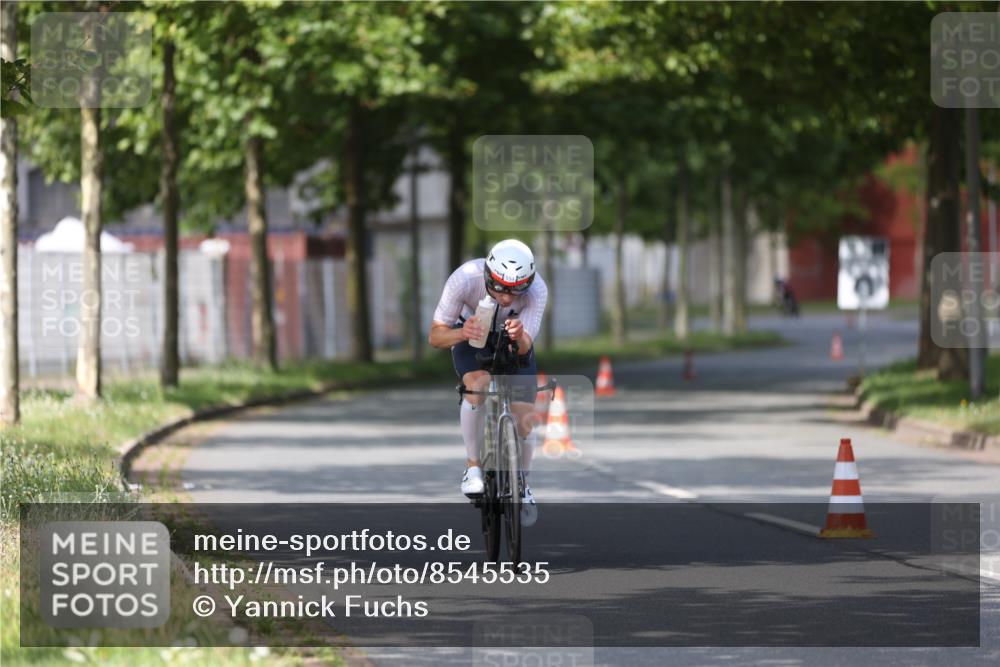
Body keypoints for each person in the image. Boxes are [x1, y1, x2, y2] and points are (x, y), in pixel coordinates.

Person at [428, 239, 548, 526]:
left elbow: (525, 348)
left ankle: (523, 484)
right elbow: (435, 337)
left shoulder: (538, 290)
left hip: (512, 341)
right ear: (487, 276)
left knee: (525, 418)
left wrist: (519, 336)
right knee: (477, 386)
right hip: (470, 335)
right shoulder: (464, 278)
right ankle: (473, 467)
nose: (507, 298)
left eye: (516, 290)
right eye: (499, 288)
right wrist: (461, 333)